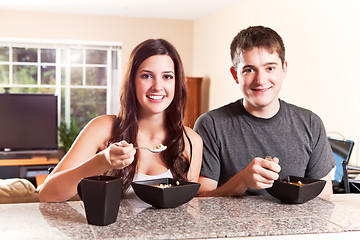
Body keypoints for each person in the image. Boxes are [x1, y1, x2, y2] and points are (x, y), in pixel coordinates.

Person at [39, 39, 203, 202]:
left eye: (167, 76)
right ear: (132, 82)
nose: (157, 86)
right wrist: (102, 162)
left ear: (177, 83)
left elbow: (187, 206)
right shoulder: (102, 128)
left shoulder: (192, 141)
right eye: (146, 76)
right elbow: (48, 194)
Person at [193, 26, 335, 199]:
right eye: (249, 70)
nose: (260, 80)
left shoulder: (311, 124)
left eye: (270, 68)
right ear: (235, 75)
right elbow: (200, 202)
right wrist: (242, 181)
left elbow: (324, 197)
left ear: (284, 69)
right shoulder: (211, 124)